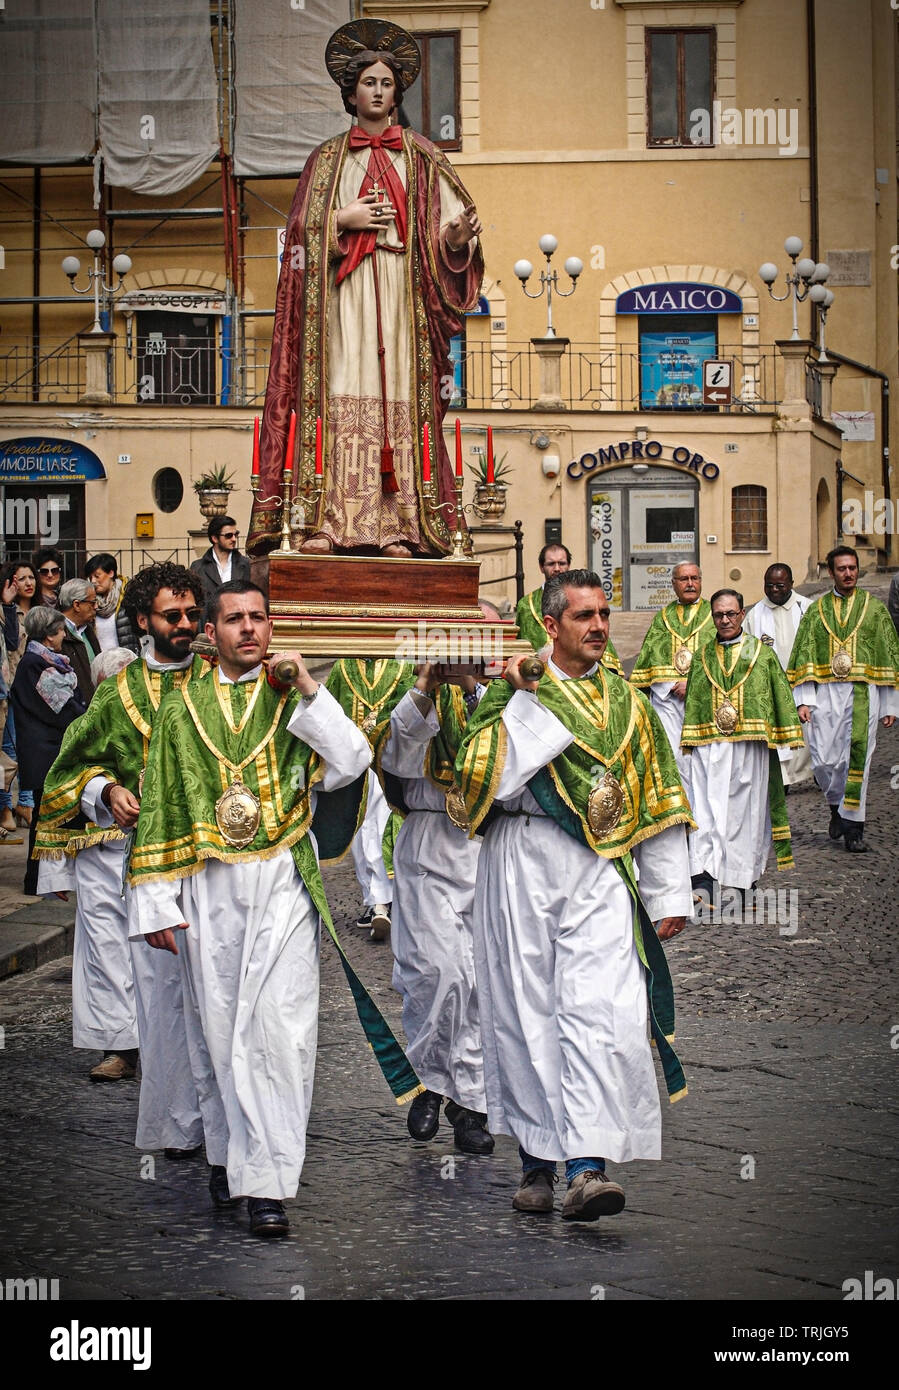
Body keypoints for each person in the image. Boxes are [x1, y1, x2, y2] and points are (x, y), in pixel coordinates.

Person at [129, 581, 412, 1238]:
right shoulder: (180, 708)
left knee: (282, 1034)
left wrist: (312, 690)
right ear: (212, 631)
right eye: (235, 619)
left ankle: (269, 1184)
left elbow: (351, 762)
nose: (249, 629)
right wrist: (155, 900)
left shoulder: (295, 698)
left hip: (283, 876)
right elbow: (164, 800)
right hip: (206, 882)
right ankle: (229, 1156)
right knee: (218, 1031)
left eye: (259, 617)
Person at [455, 570, 693, 1221]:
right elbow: (482, 784)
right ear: (551, 625)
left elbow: (658, 794)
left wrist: (668, 889)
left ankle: (586, 1168)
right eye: (583, 615)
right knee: (526, 1010)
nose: (596, 627)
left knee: (602, 1012)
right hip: (521, 860)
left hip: (598, 871)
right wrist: (520, 703)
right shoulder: (509, 696)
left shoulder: (630, 703)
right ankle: (536, 1159)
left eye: (603, 614)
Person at [248, 19, 483, 558]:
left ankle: (402, 525)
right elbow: (297, 242)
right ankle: (328, 521)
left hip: (401, 301)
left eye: (386, 83)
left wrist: (455, 238)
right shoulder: (328, 159)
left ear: (397, 92)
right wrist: (343, 219)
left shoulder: (421, 156)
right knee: (338, 396)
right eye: (368, 83)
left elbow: (449, 235)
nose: (378, 92)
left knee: (397, 398)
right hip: (341, 301)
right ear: (351, 94)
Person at [35, 566, 208, 1105]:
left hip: (199, 856)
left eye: (191, 614)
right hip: (116, 849)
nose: (185, 624)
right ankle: (125, 1049)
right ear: (142, 620)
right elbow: (68, 770)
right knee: (115, 952)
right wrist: (106, 792)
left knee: (196, 971)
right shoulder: (117, 696)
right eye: (171, 615)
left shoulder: (217, 682)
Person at [379, 604, 500, 1156]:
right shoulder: (419, 691)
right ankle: (430, 1077)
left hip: (490, 846)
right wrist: (427, 683)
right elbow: (396, 760)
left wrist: (489, 685)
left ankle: (468, 1101)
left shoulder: (510, 693)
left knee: (480, 980)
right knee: (439, 974)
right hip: (430, 841)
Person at [680, 589, 804, 897]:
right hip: (709, 746)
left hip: (749, 748)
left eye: (731, 614)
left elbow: (777, 695)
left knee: (744, 815)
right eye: (719, 615)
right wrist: (691, 741)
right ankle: (705, 873)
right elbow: (694, 701)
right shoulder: (702, 656)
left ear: (742, 615)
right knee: (706, 810)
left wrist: (783, 736)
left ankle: (740, 878)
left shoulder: (762, 655)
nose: (724, 620)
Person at [787, 546, 899, 852]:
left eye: (852, 568)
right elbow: (805, 655)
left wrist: (890, 704)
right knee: (824, 760)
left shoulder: (874, 610)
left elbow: (887, 655)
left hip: (863, 693)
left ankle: (854, 828)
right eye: (842, 569)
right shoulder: (816, 611)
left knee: (856, 759)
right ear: (831, 571)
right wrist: (803, 700)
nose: (848, 573)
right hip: (824, 693)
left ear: (857, 570)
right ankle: (836, 805)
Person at [324, 656, 416, 941]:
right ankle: (376, 901)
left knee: (388, 827)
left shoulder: (403, 667)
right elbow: (330, 712)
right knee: (363, 831)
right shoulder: (342, 667)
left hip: (389, 762)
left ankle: (387, 899)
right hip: (358, 763)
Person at [9, 606, 87, 893]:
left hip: (47, 749)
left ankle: (46, 880)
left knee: (49, 817)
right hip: (45, 751)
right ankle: (37, 881)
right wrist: (87, 718)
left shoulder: (45, 662)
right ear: (50, 635)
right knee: (46, 819)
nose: (64, 635)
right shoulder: (34, 664)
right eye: (60, 630)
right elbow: (61, 708)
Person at [630, 561, 712, 798]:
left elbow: (722, 658)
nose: (690, 584)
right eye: (684, 579)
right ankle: (679, 808)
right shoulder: (662, 618)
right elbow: (650, 658)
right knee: (673, 756)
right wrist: (669, 686)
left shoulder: (713, 615)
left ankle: (702, 814)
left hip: (704, 700)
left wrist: (694, 684)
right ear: (673, 584)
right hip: (667, 701)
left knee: (702, 757)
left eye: (694, 578)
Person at [745, 564, 813, 787]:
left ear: (791, 584)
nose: (774, 590)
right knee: (778, 737)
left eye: (780, 585)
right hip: (771, 687)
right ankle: (782, 781)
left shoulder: (807, 608)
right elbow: (746, 652)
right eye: (769, 585)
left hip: (802, 684)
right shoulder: (755, 615)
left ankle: (815, 773)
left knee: (809, 735)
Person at [516, 542, 624, 674]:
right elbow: (521, 645)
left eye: (562, 563)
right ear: (541, 567)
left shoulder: (583, 599)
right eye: (551, 564)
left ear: (568, 565)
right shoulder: (526, 604)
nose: (557, 568)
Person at [0, 561, 38, 832]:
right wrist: (7, 606)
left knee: (23, 747)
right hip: (8, 688)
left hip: (24, 688)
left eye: (30, 577)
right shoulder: (6, 611)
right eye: (19, 578)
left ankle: (23, 803)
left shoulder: (38, 612)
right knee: (8, 752)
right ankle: (5, 807)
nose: (26, 583)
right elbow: (12, 646)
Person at [189, 517, 251, 616]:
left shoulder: (246, 564)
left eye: (236, 534)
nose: (234, 539)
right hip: (209, 625)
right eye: (228, 535)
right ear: (214, 538)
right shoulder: (198, 567)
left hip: (237, 623)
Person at [84, 553, 140, 654]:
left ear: (111, 573)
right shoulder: (89, 601)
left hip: (127, 662)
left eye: (97, 576)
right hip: (99, 664)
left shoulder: (129, 596)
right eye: (90, 577)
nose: (93, 581)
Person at [58, 579, 100, 702]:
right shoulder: (53, 633)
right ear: (76, 605)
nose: (96, 607)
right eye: (92, 603)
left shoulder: (88, 630)